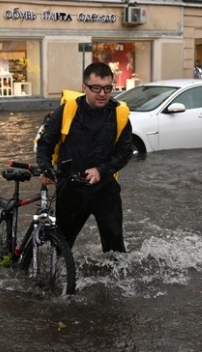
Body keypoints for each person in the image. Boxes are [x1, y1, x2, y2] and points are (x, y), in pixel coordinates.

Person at [35, 62, 133, 253]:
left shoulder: (119, 114)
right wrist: (45, 167)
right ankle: (57, 278)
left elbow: (125, 152)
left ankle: (113, 281)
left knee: (115, 248)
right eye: (96, 88)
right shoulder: (67, 111)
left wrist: (101, 170)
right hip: (70, 189)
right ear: (84, 87)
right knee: (61, 246)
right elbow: (45, 142)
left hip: (105, 190)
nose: (102, 94)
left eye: (107, 88)